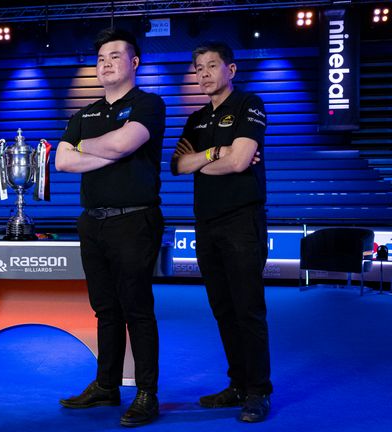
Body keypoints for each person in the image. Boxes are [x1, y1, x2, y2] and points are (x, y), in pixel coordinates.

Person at [55, 29, 166, 428]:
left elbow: (124, 144)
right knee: (105, 310)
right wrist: (108, 147)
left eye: (115, 56)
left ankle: (147, 393)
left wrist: (87, 147)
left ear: (134, 62)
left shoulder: (148, 104)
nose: (106, 63)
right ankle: (106, 385)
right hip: (93, 222)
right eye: (101, 57)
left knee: (137, 309)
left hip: (135, 219)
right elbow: (62, 162)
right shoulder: (83, 114)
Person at [171, 41, 271, 423]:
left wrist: (215, 160)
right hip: (206, 223)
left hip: (242, 221)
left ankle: (258, 391)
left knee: (248, 310)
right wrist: (216, 154)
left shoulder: (250, 104)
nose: (205, 73)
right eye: (199, 68)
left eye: (212, 65)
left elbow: (242, 160)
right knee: (223, 310)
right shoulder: (195, 119)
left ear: (231, 69)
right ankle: (238, 384)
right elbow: (179, 165)